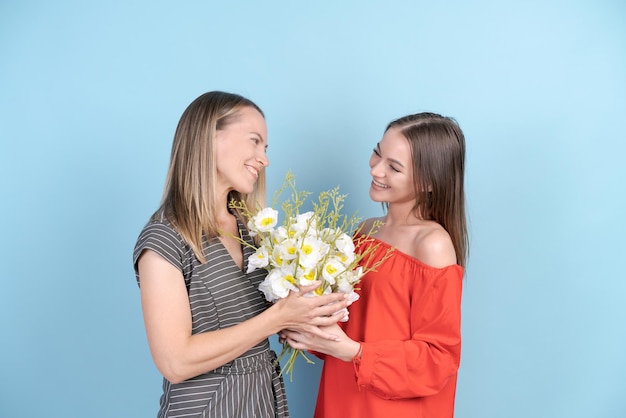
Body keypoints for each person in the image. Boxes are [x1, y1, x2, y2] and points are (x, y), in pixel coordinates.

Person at [132, 91, 351, 418]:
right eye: (254, 141)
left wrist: (312, 309)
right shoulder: (165, 238)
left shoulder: (250, 228)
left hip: (261, 401)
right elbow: (175, 362)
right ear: (209, 137)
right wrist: (277, 318)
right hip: (207, 408)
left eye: (265, 147)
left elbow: (270, 321)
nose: (264, 159)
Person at [281, 112, 468, 418]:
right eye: (378, 153)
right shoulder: (364, 231)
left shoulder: (432, 244)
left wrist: (352, 351)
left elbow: (438, 359)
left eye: (394, 167)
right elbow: (349, 323)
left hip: (391, 408)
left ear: (429, 182)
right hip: (342, 395)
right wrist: (304, 324)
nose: (376, 169)